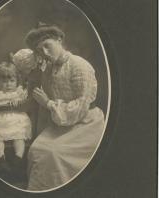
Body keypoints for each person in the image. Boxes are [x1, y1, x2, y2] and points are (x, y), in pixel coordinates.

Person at [24, 23, 105, 191]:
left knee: (54, 153)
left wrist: (48, 103)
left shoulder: (79, 65)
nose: (44, 53)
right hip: (61, 123)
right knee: (37, 149)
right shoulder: (49, 68)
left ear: (59, 39)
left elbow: (81, 106)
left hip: (85, 123)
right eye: (39, 50)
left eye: (48, 46)